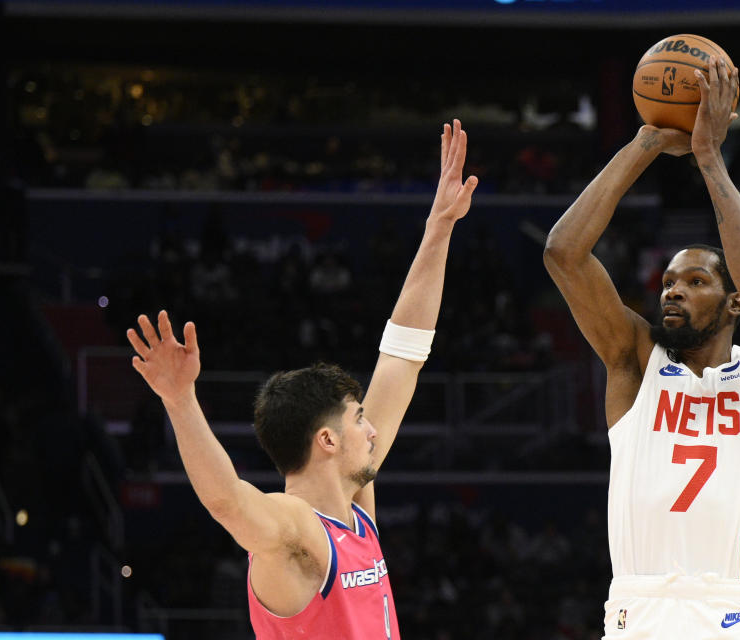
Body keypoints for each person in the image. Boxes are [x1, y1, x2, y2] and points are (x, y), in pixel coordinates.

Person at [127, 120, 478, 640]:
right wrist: (180, 400)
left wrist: (439, 228)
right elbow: (227, 502)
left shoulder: (357, 509)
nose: (374, 429)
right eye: (360, 420)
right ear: (328, 440)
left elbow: (402, 358)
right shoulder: (295, 529)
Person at [544, 58, 740, 639]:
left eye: (695, 281)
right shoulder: (636, 362)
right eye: (667, 282)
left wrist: (710, 160)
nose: (674, 291)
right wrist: (645, 143)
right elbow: (563, 253)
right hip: (638, 609)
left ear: (731, 304)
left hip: (732, 610)